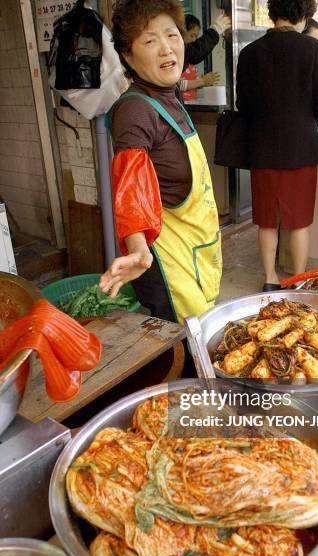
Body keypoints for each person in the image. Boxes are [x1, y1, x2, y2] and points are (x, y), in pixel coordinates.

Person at [99, 0, 222, 324]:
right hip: (168, 266)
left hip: (196, 250)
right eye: (150, 40)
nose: (166, 48)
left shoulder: (170, 94)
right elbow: (130, 187)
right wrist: (137, 247)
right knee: (188, 363)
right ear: (128, 56)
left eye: (172, 35)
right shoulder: (136, 110)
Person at [236, 0, 318, 291]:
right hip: (299, 148)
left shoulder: (250, 52)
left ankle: (269, 278)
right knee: (299, 220)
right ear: (304, 16)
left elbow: (243, 103)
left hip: (262, 148)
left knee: (267, 220)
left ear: (272, 13)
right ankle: (297, 281)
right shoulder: (312, 49)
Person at [180, 14, 220, 101]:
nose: (194, 40)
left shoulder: (186, 60)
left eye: (196, 36)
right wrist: (202, 81)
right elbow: (177, 85)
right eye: (192, 35)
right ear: (182, 31)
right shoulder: (175, 55)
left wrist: (202, 83)